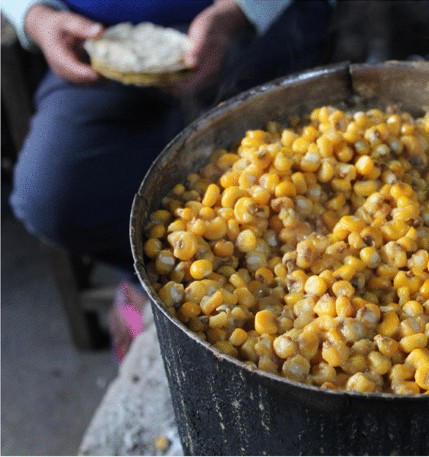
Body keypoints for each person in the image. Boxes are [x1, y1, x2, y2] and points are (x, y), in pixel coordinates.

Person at [2, 0, 332, 361]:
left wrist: (236, 11)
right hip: (95, 43)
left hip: (258, 27)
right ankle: (144, 277)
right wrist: (34, 15)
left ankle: (252, 285)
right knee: (48, 198)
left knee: (275, 171)